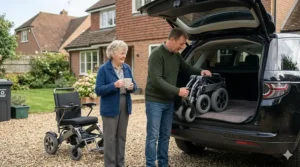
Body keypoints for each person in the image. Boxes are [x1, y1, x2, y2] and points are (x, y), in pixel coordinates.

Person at [145, 28, 212, 167]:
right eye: (181, 44)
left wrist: (201, 71)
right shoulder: (156, 55)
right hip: (155, 101)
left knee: (165, 136)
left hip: (168, 101)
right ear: (172, 39)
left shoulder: (176, 55)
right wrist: (177, 91)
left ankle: (163, 163)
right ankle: (150, 164)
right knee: (153, 136)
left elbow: (187, 68)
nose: (182, 47)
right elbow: (157, 80)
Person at [95, 40, 137, 167]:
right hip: (110, 106)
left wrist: (132, 87)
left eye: (125, 53)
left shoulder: (127, 68)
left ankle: (120, 164)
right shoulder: (104, 69)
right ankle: (110, 164)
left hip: (124, 103)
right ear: (113, 54)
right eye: (122, 53)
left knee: (121, 137)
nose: (124, 55)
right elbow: (98, 90)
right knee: (110, 138)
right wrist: (114, 85)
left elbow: (135, 86)